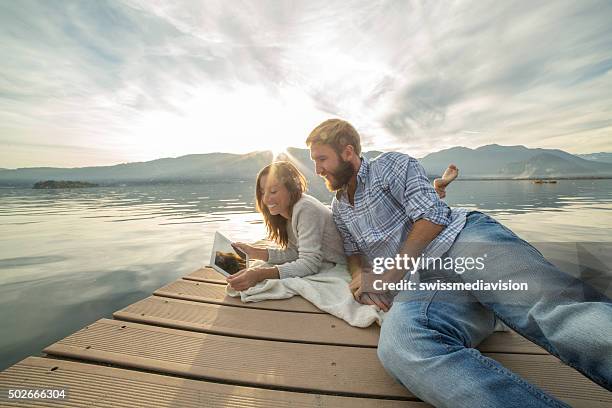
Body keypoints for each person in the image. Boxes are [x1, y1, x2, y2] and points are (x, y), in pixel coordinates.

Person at [306, 118, 612, 408]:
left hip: (463, 241)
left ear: (347, 153)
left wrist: (389, 273)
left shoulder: (391, 166)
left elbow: (434, 216)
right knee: (401, 347)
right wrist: (361, 280)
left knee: (553, 309)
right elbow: (353, 252)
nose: (317, 169)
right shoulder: (339, 207)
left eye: (322, 159)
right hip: (423, 284)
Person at [227, 160, 457, 292]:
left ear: (290, 188)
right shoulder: (289, 213)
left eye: (273, 191)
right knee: (404, 214)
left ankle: (436, 189)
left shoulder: (304, 209)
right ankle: (436, 189)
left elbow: (309, 263)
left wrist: (261, 273)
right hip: (359, 231)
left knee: (406, 219)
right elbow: (296, 252)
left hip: (364, 243)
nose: (266, 199)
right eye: (262, 192)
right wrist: (257, 253)